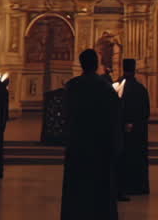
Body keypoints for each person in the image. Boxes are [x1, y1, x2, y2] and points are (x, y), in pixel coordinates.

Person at [61, 49, 121, 220]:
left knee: (76, 187)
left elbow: (66, 114)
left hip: (78, 145)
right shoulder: (105, 88)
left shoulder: (72, 86)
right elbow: (114, 119)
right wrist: (116, 146)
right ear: (97, 64)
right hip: (100, 147)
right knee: (100, 190)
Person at [117, 58, 151, 197]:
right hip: (137, 130)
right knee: (136, 157)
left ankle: (121, 185)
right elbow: (146, 112)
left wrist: (124, 123)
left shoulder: (116, 87)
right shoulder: (141, 89)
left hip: (120, 129)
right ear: (135, 69)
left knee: (122, 157)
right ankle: (137, 186)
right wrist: (133, 123)